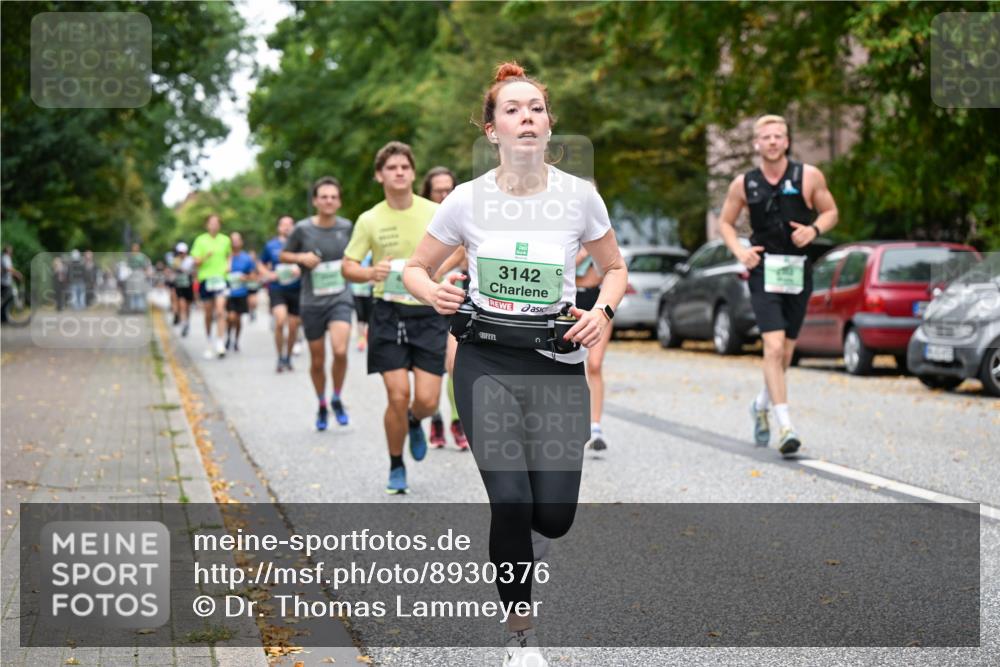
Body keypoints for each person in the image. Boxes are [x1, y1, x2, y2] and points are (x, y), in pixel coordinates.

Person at [402, 62, 627, 667]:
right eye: (512, 109)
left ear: (549, 125)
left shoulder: (579, 197)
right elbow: (414, 267)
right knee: (509, 500)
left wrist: (600, 313)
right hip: (485, 362)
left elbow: (615, 269)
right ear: (491, 128)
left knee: (551, 518)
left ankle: (530, 542)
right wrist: (433, 293)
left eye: (535, 108)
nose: (526, 117)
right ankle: (521, 637)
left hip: (555, 364)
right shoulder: (467, 200)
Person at [717, 114, 839, 457]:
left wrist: (814, 230)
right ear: (756, 143)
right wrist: (740, 250)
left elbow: (830, 212)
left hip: (798, 271)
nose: (772, 141)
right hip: (764, 271)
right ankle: (785, 425)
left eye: (778, 136)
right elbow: (726, 223)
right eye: (766, 137)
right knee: (771, 348)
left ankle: (760, 404)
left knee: (784, 354)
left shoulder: (808, 176)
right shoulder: (744, 183)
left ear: (787, 141)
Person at [343, 142, 446, 494]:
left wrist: (435, 272)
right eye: (391, 167)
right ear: (379, 175)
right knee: (397, 394)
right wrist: (371, 272)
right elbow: (348, 266)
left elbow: (460, 247)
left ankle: (417, 421)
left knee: (429, 401)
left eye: (405, 166)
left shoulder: (434, 211)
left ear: (414, 173)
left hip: (428, 311)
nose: (399, 172)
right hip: (387, 311)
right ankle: (396, 463)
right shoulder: (369, 219)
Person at [280, 177, 355, 430]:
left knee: (341, 350)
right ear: (315, 201)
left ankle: (336, 397)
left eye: (333, 196)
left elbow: (356, 255)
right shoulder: (302, 229)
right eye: (324, 196)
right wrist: (301, 257)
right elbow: (283, 254)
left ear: (339, 201)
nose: (329, 200)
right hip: (311, 301)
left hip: (340, 298)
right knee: (317, 360)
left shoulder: (347, 227)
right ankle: (322, 403)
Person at [421, 166, 470, 451]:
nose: (444, 195)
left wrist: (438, 268)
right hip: (424, 302)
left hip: (455, 301)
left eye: (448, 188)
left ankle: (456, 420)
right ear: (428, 193)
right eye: (438, 190)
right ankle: (436, 418)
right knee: (431, 368)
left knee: (454, 363)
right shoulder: (423, 218)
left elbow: (463, 249)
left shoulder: (463, 213)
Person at [574, 242, 613, 451]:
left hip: (596, 303)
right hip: (569, 303)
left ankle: (595, 426)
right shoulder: (564, 231)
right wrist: (581, 255)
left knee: (595, 365)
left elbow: (606, 273)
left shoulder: (600, 234)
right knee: (564, 364)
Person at [259, 215, 302, 372]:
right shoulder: (271, 245)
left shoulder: (300, 244)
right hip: (277, 288)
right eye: (283, 224)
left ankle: (288, 357)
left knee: (293, 326)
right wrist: (268, 274)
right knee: (280, 321)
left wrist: (300, 269)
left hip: (296, 289)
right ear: (279, 227)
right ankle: (279, 356)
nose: (286, 227)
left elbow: (308, 261)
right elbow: (261, 264)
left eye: (290, 224)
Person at [190, 214, 232, 359]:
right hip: (206, 279)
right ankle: (209, 340)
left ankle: (220, 342)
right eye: (211, 223)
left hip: (221, 278)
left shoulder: (225, 240)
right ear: (207, 225)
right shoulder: (200, 240)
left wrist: (229, 265)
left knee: (220, 310)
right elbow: (195, 261)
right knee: (208, 313)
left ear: (219, 225)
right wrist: (205, 257)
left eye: (216, 223)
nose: (214, 225)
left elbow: (229, 255)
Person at [225, 232, 256, 352]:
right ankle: (228, 336)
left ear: (241, 242)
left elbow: (253, 275)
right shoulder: (226, 257)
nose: (235, 242)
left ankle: (236, 340)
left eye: (237, 240)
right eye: (233, 240)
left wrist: (245, 277)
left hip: (242, 293)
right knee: (230, 317)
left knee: (238, 319)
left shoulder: (246, 258)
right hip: (228, 293)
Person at [350, 252, 374, 352]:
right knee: (360, 315)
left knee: (369, 316)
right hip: (356, 290)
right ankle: (361, 339)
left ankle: (368, 336)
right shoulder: (354, 254)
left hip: (369, 291)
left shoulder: (372, 254)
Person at [172, 242, 195, 337]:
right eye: (180, 252)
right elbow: (174, 270)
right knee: (182, 305)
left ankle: (187, 322)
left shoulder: (190, 260)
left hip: (189, 285)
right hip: (179, 286)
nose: (182, 254)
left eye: (183, 252)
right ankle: (183, 324)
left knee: (188, 307)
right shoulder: (175, 261)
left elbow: (194, 271)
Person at [1, 245, 23, 323]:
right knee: (7, 299)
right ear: (7, 250)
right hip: (4, 282)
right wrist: (17, 273)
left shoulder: (5, 257)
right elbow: (8, 268)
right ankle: (3, 317)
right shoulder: (5, 257)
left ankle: (4, 317)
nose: (11, 251)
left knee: (6, 299)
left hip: (6, 281)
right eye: (10, 249)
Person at [245, 249, 261, 322]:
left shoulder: (257, 264)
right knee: (249, 301)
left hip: (255, 285)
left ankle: (253, 311)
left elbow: (260, 273)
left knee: (254, 301)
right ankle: (250, 312)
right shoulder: (246, 264)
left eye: (253, 255)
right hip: (247, 285)